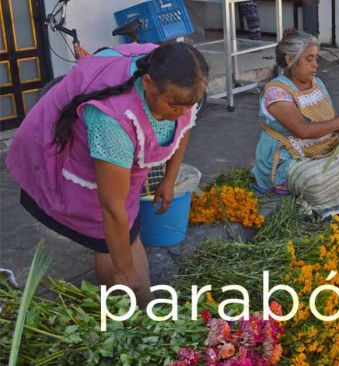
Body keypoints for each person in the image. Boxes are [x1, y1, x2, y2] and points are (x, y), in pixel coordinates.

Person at [6, 42, 209, 303]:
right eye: (175, 105)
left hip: (115, 156)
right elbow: (113, 208)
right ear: (147, 83)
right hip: (64, 154)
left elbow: (184, 125)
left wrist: (170, 179)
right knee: (107, 236)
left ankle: (141, 305)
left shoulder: (180, 77)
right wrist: (124, 271)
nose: (182, 112)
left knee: (124, 235)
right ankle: (138, 305)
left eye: (190, 104)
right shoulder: (112, 120)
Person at [252, 30, 339, 218]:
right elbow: (303, 131)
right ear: (290, 58)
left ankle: (330, 201)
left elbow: (330, 122)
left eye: (316, 58)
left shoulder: (317, 84)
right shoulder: (276, 92)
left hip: (321, 151)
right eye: (309, 59)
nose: (315, 65)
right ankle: (327, 203)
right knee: (314, 179)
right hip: (289, 159)